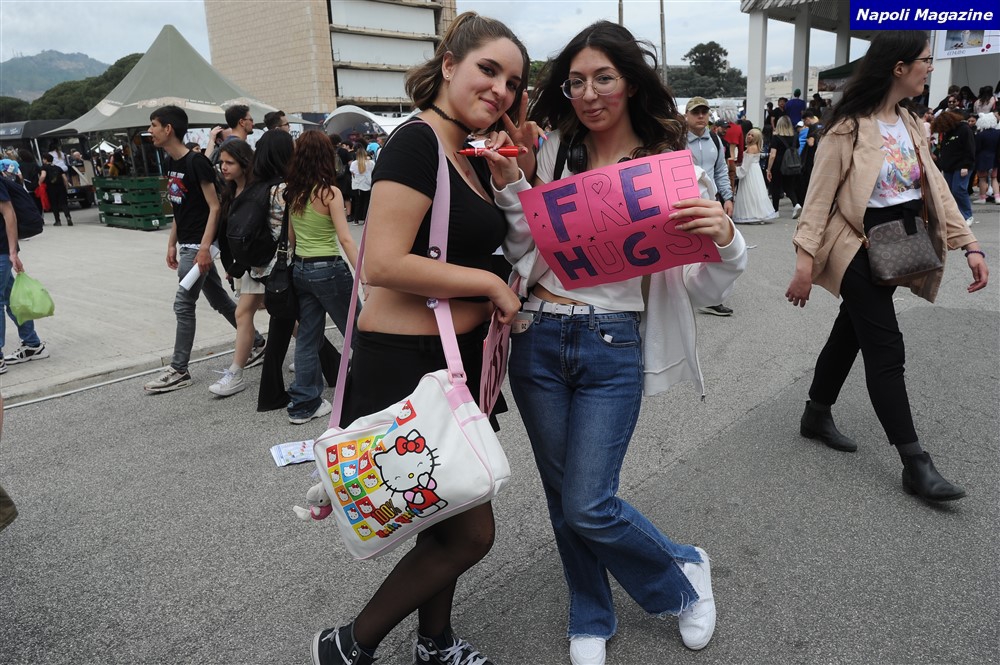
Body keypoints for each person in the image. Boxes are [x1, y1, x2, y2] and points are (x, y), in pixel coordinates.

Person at [501, 20, 746, 665]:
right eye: (576, 81)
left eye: (603, 78)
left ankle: (681, 573)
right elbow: (524, 248)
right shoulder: (555, 151)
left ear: (631, 82)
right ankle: (591, 612)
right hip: (537, 335)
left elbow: (701, 283)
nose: (589, 94)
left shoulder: (669, 169)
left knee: (589, 502)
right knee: (563, 501)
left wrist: (726, 237)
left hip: (612, 343)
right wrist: (512, 190)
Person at [309, 12, 527, 665]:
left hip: (453, 364)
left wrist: (513, 176)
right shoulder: (416, 143)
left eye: (513, 82)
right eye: (488, 69)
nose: (501, 90)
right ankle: (348, 644)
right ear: (450, 64)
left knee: (448, 507)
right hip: (407, 366)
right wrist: (487, 286)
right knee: (471, 532)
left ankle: (434, 642)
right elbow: (382, 261)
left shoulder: (471, 155)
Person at [784, 30, 989, 503]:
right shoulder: (848, 127)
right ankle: (916, 463)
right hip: (856, 245)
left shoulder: (911, 122)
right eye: (925, 60)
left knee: (850, 330)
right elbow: (817, 201)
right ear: (899, 67)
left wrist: (970, 244)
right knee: (885, 347)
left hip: (900, 240)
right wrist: (804, 264)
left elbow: (936, 188)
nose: (930, 68)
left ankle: (816, 412)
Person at [143, 105, 260, 393]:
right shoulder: (171, 162)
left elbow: (215, 207)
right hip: (186, 243)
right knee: (220, 300)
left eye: (153, 125)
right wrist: (171, 242)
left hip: (198, 247)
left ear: (168, 129)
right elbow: (179, 207)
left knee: (183, 304)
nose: (150, 131)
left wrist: (205, 248)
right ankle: (257, 342)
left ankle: (179, 369)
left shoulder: (197, 163)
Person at [284, 130, 361, 425]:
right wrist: (364, 274)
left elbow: (291, 238)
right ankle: (376, 387)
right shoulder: (329, 193)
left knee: (307, 336)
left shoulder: (293, 192)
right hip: (329, 268)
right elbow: (345, 238)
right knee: (357, 329)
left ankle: (304, 404)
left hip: (301, 269)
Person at [209, 138, 268, 396]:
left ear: (244, 163)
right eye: (222, 162)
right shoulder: (230, 191)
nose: (224, 167)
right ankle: (320, 355)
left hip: (258, 264)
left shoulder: (258, 191)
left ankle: (235, 373)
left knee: (243, 314)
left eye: (229, 162)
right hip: (242, 266)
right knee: (282, 315)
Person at [685, 97, 736, 317]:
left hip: (712, 203)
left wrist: (728, 197)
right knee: (687, 250)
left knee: (716, 250)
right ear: (686, 115)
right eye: (696, 112)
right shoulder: (677, 141)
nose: (700, 116)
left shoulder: (715, 139)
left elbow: (721, 171)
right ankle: (682, 293)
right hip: (687, 203)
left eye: (704, 112)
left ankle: (713, 297)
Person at [0, 173, 49, 373]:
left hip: (1, 249)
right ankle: (32, 344)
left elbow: (8, 212)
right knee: (10, 298)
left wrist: (13, 252)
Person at [931, 110, 976, 224]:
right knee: (950, 192)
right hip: (949, 167)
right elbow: (944, 149)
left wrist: (966, 165)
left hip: (962, 166)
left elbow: (969, 148)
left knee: (959, 190)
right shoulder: (947, 133)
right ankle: (957, 215)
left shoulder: (964, 129)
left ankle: (967, 215)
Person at [733, 128, 778, 224]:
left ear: (756, 138)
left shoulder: (751, 148)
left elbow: (745, 166)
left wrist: (735, 169)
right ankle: (758, 214)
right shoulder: (755, 147)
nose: (749, 136)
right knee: (756, 192)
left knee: (749, 192)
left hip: (750, 172)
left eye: (752, 135)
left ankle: (752, 215)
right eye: (749, 134)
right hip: (755, 171)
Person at [766, 115, 802, 218]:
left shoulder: (776, 137)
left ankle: (775, 210)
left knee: (776, 187)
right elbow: (797, 149)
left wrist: (768, 169)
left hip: (778, 164)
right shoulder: (795, 137)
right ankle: (796, 204)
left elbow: (772, 155)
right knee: (789, 186)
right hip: (791, 164)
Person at [973, 112, 999, 204]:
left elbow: (977, 148)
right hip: (995, 158)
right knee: (994, 178)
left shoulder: (980, 135)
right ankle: (997, 197)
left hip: (982, 159)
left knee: (982, 178)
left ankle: (982, 198)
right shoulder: (998, 133)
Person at [39, 154, 72, 226]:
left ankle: (58, 221)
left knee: (54, 204)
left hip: (51, 188)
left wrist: (39, 182)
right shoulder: (58, 167)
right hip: (61, 187)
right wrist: (66, 187)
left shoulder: (44, 167)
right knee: (64, 203)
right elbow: (65, 179)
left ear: (45, 160)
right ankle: (68, 217)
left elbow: (43, 176)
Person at [348, 142, 372, 224]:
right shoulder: (370, 163)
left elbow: (352, 173)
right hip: (367, 183)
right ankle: (365, 219)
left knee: (357, 202)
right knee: (366, 202)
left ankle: (356, 219)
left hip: (357, 184)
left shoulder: (354, 163)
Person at [15, 149, 43, 215]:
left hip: (25, 186)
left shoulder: (19, 165)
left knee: (28, 202)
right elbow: (41, 173)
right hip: (35, 185)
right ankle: (40, 215)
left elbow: (19, 176)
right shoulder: (34, 164)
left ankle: (33, 215)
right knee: (38, 202)